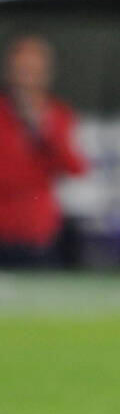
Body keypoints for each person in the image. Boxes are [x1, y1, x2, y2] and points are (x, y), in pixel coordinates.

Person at [0, 35, 88, 266]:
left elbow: (76, 167)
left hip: (38, 233)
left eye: (32, 72)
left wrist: (44, 129)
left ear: (45, 75)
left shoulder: (57, 115)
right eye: (20, 71)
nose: (25, 80)